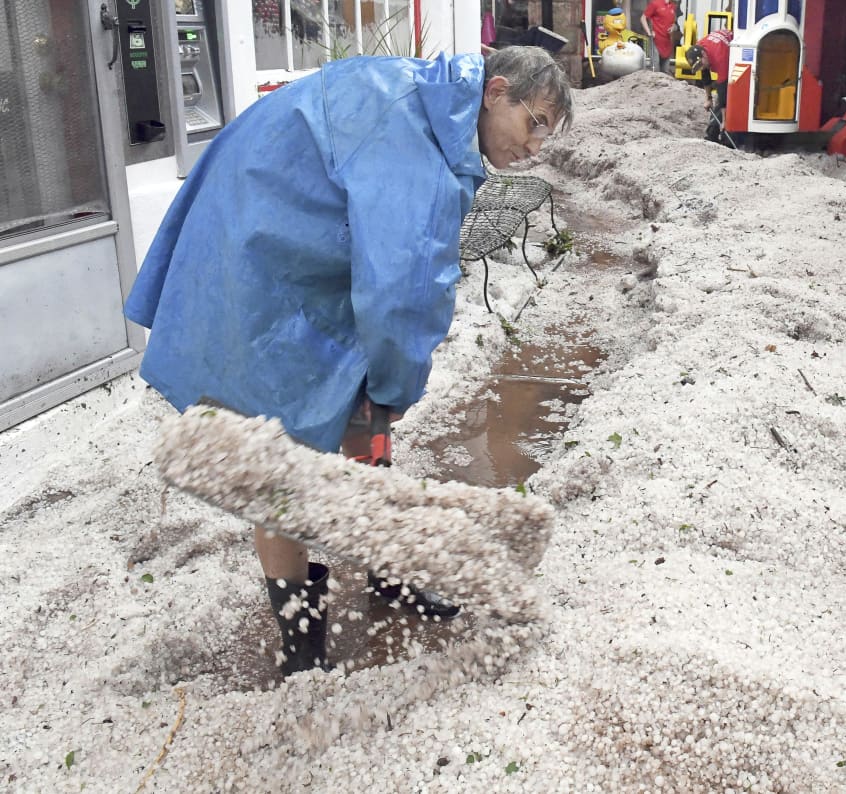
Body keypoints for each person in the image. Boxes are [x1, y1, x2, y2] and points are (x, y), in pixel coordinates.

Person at [122, 46, 573, 677]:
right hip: (260, 252)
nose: (535, 147)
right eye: (535, 124)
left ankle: (390, 568)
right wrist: (393, 389)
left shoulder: (432, 101)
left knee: (357, 399)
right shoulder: (414, 142)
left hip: (286, 223)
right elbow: (402, 292)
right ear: (496, 91)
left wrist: (375, 395)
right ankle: (301, 641)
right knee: (281, 448)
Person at [684, 26, 734, 145]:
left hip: (736, 52)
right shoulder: (700, 46)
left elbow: (722, 93)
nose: (701, 67)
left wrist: (725, 121)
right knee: (718, 103)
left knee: (727, 100)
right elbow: (705, 74)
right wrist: (708, 98)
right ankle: (713, 135)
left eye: (700, 64)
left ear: (703, 54)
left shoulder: (719, 57)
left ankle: (716, 135)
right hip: (718, 50)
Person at [641, 0, 681, 74]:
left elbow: (675, 25)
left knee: (665, 70)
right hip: (655, 40)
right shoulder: (655, 3)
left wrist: (673, 27)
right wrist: (649, 32)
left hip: (667, 42)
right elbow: (643, 18)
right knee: (655, 68)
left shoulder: (673, 6)